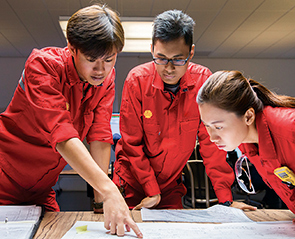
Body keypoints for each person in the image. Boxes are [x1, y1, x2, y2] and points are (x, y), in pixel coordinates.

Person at [0, 4, 142, 237]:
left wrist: (100, 203)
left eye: (109, 59)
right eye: (91, 59)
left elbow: (100, 135)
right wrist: (109, 190)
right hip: (4, 180)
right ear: (72, 48)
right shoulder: (42, 66)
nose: (101, 70)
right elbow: (62, 134)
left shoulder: (106, 79)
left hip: (42, 189)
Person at [113, 9, 238, 210]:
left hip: (170, 186)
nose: (169, 68)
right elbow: (131, 144)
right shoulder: (136, 81)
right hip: (131, 183)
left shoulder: (203, 82)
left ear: (191, 52)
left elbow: (212, 144)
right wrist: (151, 190)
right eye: (161, 58)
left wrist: (226, 199)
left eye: (178, 60)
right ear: (152, 49)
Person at [197, 70, 295, 214]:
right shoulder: (246, 141)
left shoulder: (289, 129)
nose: (212, 137)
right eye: (207, 126)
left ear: (248, 116)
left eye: (218, 127)